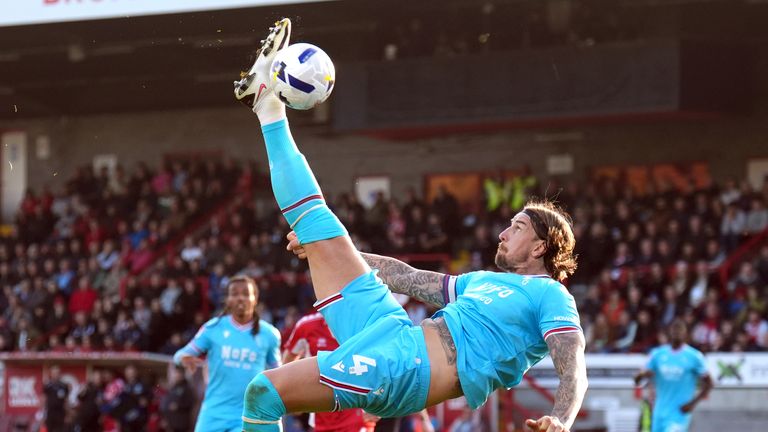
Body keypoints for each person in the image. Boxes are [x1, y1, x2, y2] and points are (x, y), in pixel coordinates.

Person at [234, 18, 587, 432]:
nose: (504, 231)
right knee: (317, 225)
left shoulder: (551, 296)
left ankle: (269, 110)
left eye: (518, 226)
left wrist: (560, 420)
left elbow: (573, 364)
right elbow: (407, 277)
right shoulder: (482, 282)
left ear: (541, 246)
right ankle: (267, 106)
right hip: (394, 331)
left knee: (263, 393)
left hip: (406, 370)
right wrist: (331, 250)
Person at [173, 275, 281, 432]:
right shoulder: (213, 328)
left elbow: (279, 371)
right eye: (235, 294)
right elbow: (179, 355)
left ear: (255, 299)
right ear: (228, 300)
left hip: (249, 413)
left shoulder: (269, 334)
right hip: (213, 412)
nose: (240, 298)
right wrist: (183, 359)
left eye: (245, 293)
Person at [283, 312, 377, 432]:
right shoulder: (307, 325)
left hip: (358, 416)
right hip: (321, 417)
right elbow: (288, 362)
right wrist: (293, 396)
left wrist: (383, 405)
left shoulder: (366, 325)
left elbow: (384, 365)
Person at [634, 319, 713, 432]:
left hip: (679, 414)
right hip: (659, 412)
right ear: (669, 332)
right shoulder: (658, 354)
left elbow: (709, 383)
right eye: (674, 329)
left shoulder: (694, 357)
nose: (677, 332)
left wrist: (692, 403)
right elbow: (641, 378)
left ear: (685, 333)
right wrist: (639, 376)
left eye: (680, 329)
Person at [43, 365, 70, 432]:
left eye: (57, 373)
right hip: (50, 412)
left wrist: (67, 415)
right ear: (51, 374)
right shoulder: (47, 385)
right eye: (54, 373)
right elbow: (44, 399)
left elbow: (66, 401)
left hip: (60, 413)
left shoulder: (64, 386)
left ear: (60, 374)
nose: (56, 375)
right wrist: (42, 414)